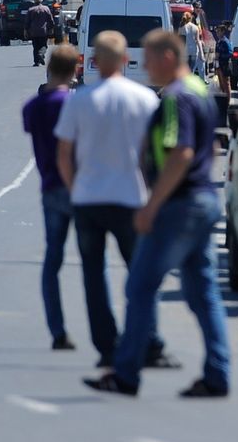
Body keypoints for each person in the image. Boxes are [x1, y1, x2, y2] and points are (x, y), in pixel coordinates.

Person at [85, 29, 230, 399]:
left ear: (168, 57)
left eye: (148, 59)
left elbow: (179, 152)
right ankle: (218, 373)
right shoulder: (200, 90)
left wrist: (152, 204)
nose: (144, 67)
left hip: (178, 205)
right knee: (203, 292)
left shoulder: (175, 100)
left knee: (140, 285)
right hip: (203, 199)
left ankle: (126, 373)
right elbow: (209, 147)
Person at [55, 31, 175, 370]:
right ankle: (148, 342)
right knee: (140, 274)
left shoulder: (79, 100)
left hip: (89, 198)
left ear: (93, 61)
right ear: (125, 60)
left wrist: (74, 187)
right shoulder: (145, 99)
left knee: (94, 275)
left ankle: (107, 347)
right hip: (131, 197)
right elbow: (154, 155)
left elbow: (63, 153)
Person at [22, 44, 80, 351]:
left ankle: (57, 330)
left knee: (52, 259)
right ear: (74, 71)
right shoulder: (74, 105)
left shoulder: (33, 107)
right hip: (80, 188)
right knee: (92, 260)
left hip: (50, 187)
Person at [26, 0, 56, 67]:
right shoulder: (46, 9)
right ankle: (41, 54)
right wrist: (51, 28)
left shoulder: (31, 10)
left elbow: (27, 21)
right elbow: (50, 20)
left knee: (35, 46)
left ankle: (36, 62)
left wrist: (26, 30)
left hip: (33, 31)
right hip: (43, 31)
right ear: (41, 1)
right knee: (44, 45)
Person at [180, 12, 203, 79]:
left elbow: (180, 41)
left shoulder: (181, 28)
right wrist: (201, 54)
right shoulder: (195, 28)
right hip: (194, 51)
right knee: (191, 71)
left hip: (185, 52)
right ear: (191, 18)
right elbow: (198, 41)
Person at [214, 25, 232, 96]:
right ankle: (223, 99)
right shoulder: (219, 42)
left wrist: (220, 56)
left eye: (218, 31)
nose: (217, 33)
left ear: (223, 31)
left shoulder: (225, 42)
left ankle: (227, 101)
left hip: (224, 65)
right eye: (216, 31)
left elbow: (230, 53)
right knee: (221, 84)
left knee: (226, 84)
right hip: (219, 65)